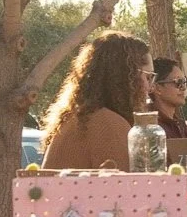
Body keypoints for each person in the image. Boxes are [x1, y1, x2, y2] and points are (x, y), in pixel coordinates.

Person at [41, 33, 154, 169]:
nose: (151, 87)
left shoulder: (80, 118)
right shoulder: (108, 123)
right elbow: (131, 187)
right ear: (127, 77)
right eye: (148, 77)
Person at [150, 56, 187, 140]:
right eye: (178, 82)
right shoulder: (151, 128)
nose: (183, 88)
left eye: (184, 82)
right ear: (157, 88)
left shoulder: (181, 126)